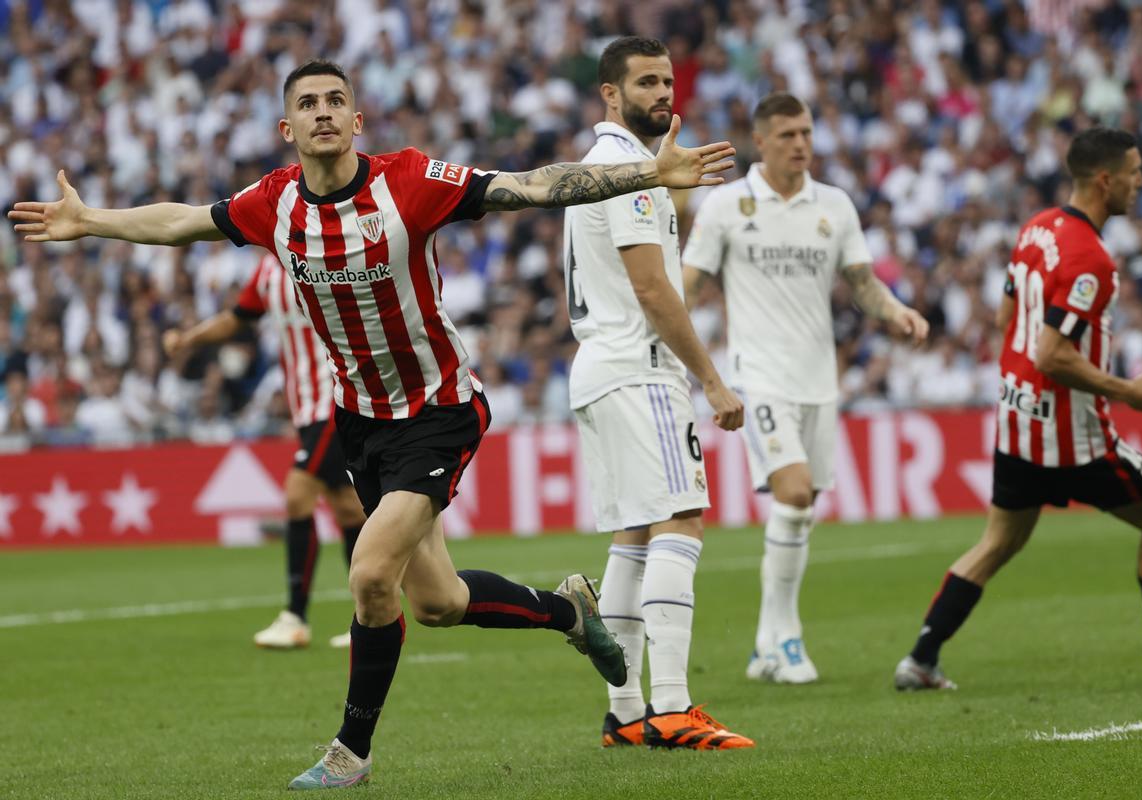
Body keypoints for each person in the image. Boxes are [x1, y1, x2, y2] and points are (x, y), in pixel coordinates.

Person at [9, 58, 737, 789]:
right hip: (361, 420)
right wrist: (91, 220)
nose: (323, 112)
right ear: (286, 127)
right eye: (308, 104)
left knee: (368, 574)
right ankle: (569, 613)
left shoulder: (410, 182)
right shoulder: (275, 202)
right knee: (439, 603)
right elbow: (183, 221)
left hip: (439, 410)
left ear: (358, 120)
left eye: (336, 101)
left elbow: (534, 186)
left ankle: (349, 753)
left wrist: (647, 175)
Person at [893, 127, 1142, 691]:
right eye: (1134, 172)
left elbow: (1010, 320)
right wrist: (1130, 392)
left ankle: (921, 659)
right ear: (1105, 181)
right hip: (1072, 437)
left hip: (1016, 420)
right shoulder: (1092, 260)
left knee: (998, 542)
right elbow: (1052, 354)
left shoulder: (1037, 229)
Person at [682, 92, 929, 684]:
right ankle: (787, 641)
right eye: (788, 134)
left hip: (820, 378)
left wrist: (895, 312)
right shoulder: (727, 205)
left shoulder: (834, 206)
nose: (801, 143)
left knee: (803, 507)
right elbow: (686, 284)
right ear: (760, 140)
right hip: (758, 376)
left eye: (807, 132)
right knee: (792, 493)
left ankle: (766, 645)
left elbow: (862, 282)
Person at [564, 36, 753, 751]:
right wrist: (710, 378)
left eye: (667, 81)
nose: (662, 93)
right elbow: (651, 287)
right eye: (645, 82)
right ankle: (671, 708)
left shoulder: (608, 167)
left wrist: (669, 186)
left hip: (599, 366)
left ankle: (625, 711)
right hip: (639, 370)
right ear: (609, 94)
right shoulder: (623, 168)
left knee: (635, 536)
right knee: (681, 518)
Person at [163, 252, 366, 649]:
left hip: (337, 399)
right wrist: (188, 338)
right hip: (306, 407)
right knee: (348, 508)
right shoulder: (268, 270)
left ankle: (295, 617)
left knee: (297, 495)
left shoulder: (324, 253)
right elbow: (236, 319)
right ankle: (370, 618)